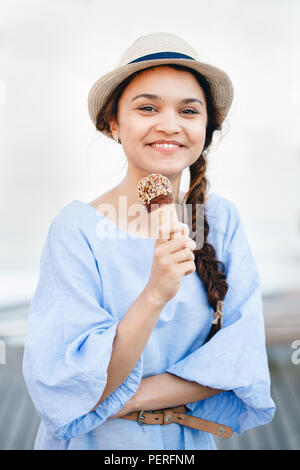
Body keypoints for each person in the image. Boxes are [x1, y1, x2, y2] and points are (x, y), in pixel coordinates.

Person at [23, 32, 275, 450]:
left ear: (206, 127)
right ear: (114, 123)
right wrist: (155, 293)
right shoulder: (76, 229)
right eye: (147, 108)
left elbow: (240, 359)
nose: (170, 125)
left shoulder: (219, 219)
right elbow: (63, 378)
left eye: (188, 111)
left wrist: (103, 400)